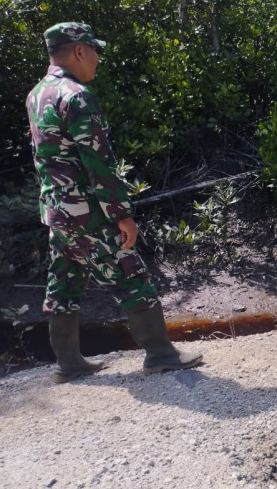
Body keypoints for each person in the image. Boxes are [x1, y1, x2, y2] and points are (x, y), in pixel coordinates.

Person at [26, 22, 202, 383]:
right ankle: (161, 354)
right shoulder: (76, 96)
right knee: (131, 274)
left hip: (58, 212)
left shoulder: (36, 94)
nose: (97, 58)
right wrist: (121, 215)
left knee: (65, 280)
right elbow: (98, 165)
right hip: (88, 212)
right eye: (93, 49)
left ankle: (69, 362)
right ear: (78, 51)